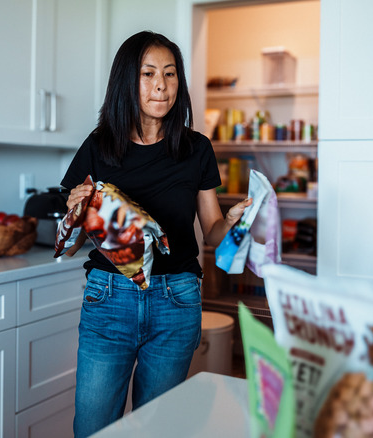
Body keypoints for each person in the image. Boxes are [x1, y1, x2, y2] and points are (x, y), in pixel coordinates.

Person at [60, 30, 251, 437]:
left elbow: (212, 231)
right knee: (94, 426)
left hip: (176, 300)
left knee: (158, 428)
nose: (161, 85)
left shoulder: (195, 148)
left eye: (169, 73)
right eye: (148, 74)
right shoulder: (99, 146)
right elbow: (75, 243)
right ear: (127, 81)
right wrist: (77, 210)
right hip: (109, 298)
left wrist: (231, 222)